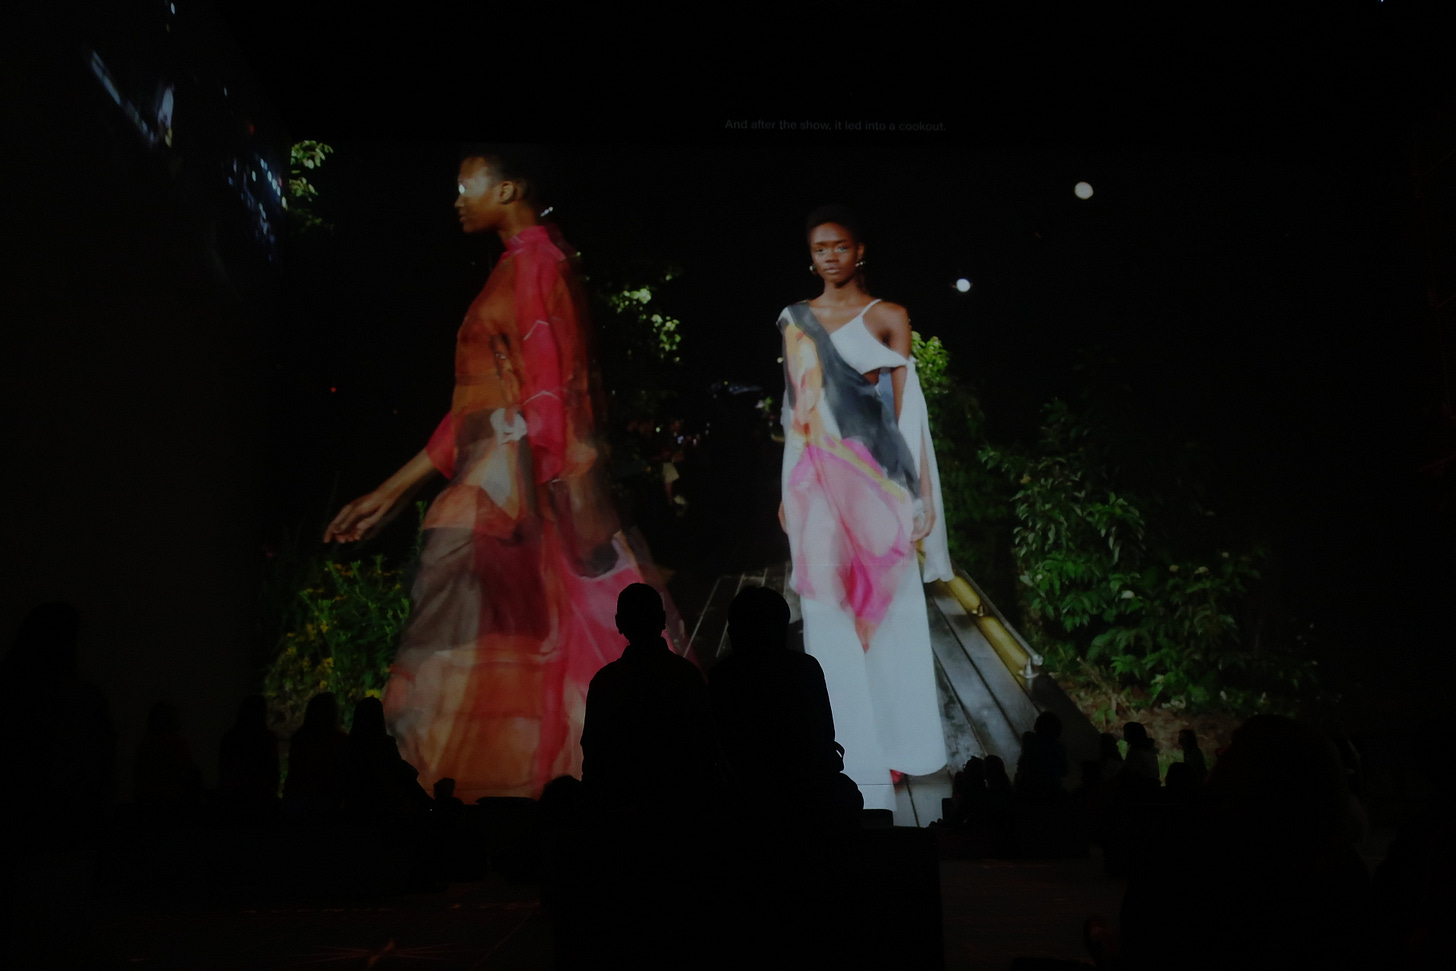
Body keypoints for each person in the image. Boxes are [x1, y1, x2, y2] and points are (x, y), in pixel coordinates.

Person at [324, 147, 680, 801]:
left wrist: (547, 496)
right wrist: (392, 492)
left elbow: (550, 390)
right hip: (511, 484)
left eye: (468, 187)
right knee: (517, 655)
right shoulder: (521, 264)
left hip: (521, 493)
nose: (458, 200)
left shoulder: (538, 264)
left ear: (509, 189)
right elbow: (479, 411)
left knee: (531, 650)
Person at [777, 204, 951, 810]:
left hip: (879, 480)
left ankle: (903, 745)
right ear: (811, 256)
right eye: (820, 247)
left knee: (891, 614)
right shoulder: (794, 319)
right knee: (828, 614)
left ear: (859, 251)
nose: (831, 256)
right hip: (816, 483)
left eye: (841, 246)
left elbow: (909, 413)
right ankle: (849, 750)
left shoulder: (889, 317)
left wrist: (921, 494)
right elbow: (795, 409)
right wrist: (785, 490)